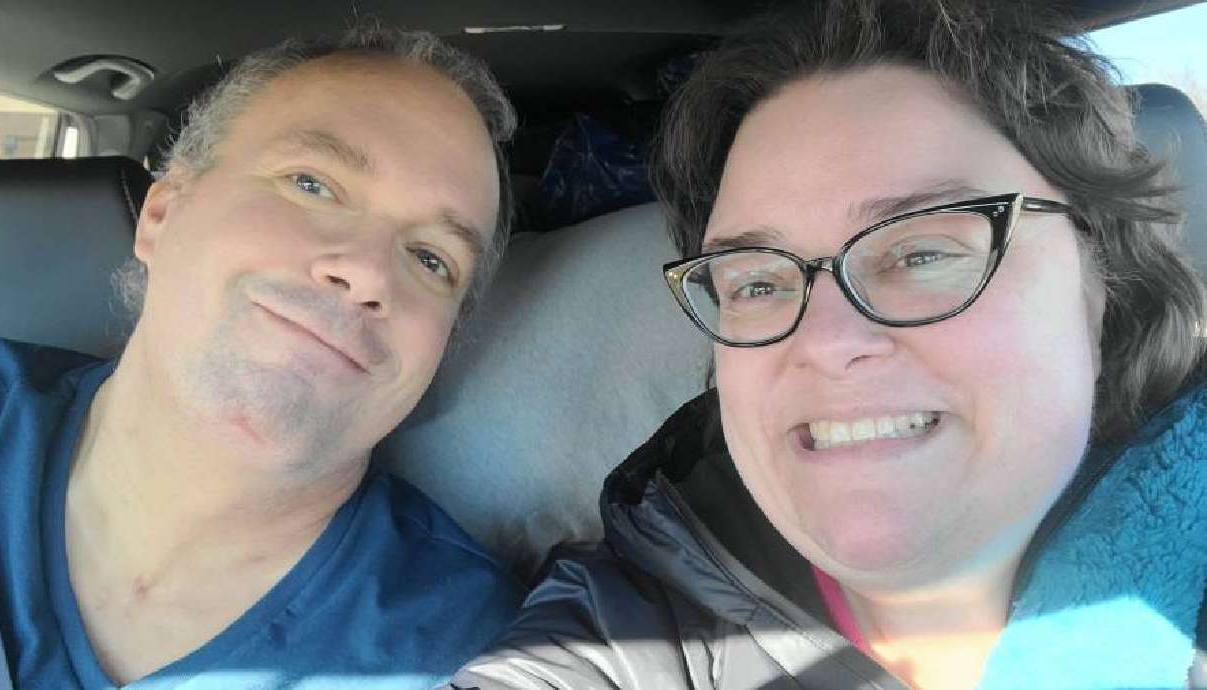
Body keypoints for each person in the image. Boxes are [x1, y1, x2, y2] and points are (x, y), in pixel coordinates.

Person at [451, 1, 1207, 688]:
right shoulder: (617, 633)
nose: (827, 341)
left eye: (921, 254)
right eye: (758, 282)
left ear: (1103, 284)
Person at [0, 22, 524, 689]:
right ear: (162, 215)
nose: (368, 274)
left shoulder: (472, 652)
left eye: (431, 258)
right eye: (312, 184)